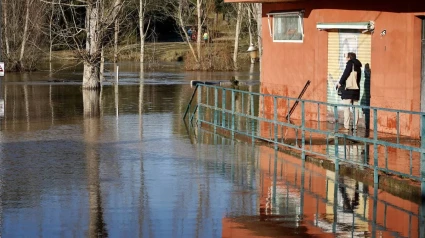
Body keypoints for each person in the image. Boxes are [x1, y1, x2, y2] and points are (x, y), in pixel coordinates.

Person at [336, 52, 362, 131]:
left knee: (346, 108)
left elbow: (345, 74)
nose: (345, 59)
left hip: (349, 89)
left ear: (349, 58)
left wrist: (340, 83)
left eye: (346, 57)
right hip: (356, 90)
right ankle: (355, 127)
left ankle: (346, 126)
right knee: (356, 108)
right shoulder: (358, 66)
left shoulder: (350, 64)